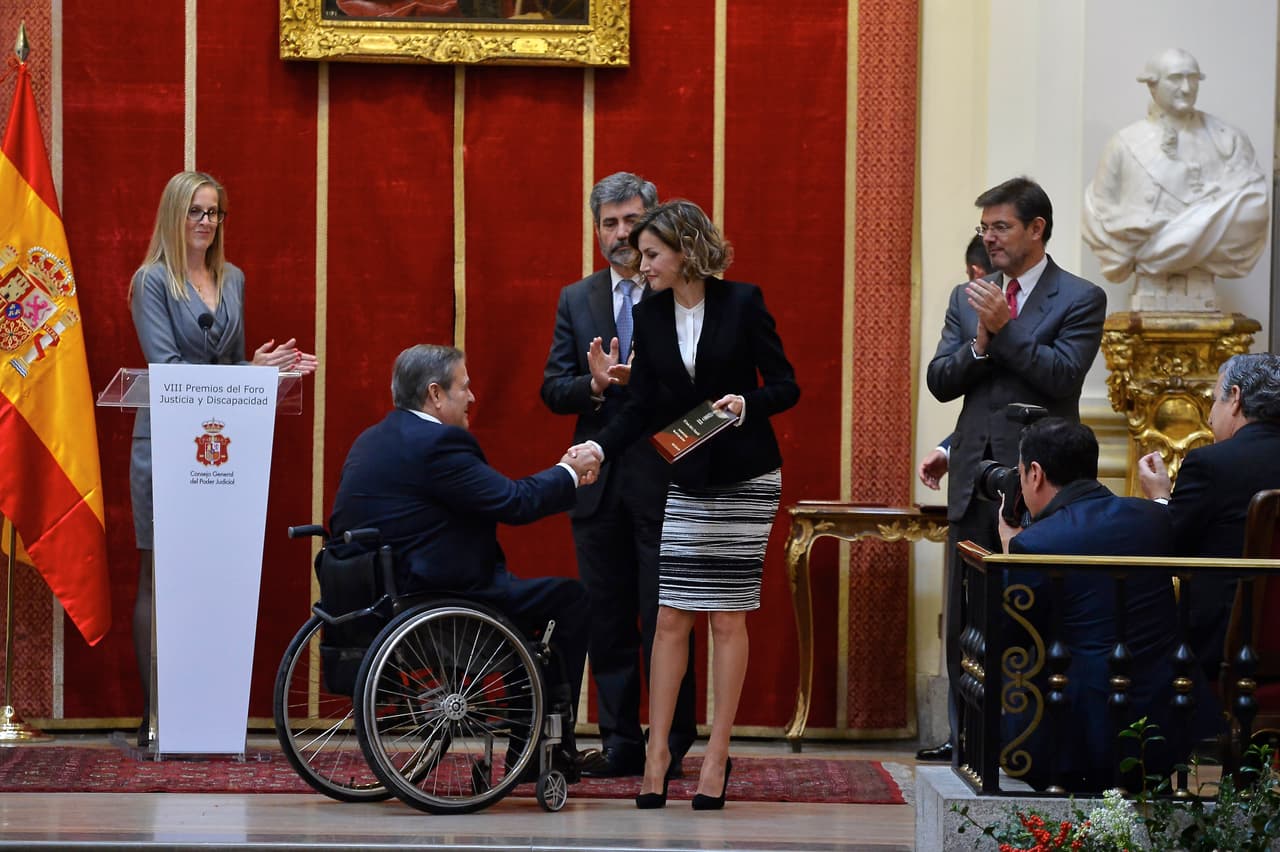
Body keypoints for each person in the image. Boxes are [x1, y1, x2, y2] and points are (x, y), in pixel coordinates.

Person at [580, 199, 799, 810]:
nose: (641, 264)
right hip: (687, 477)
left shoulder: (744, 302)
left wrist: (745, 404)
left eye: (651, 254)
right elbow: (641, 404)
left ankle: (718, 756)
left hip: (746, 475)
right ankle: (657, 753)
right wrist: (596, 446)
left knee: (728, 617)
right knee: (671, 615)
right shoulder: (649, 316)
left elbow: (786, 384)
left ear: (686, 252)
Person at [328, 343, 599, 770]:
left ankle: (534, 739)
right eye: (465, 388)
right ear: (435, 394)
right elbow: (514, 503)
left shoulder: (372, 439)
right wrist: (569, 471)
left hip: (373, 599)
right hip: (439, 598)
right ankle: (536, 747)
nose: (473, 397)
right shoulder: (438, 445)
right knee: (569, 600)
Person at [129, 171, 317, 747]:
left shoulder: (232, 279)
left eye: (215, 213)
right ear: (173, 216)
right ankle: (157, 715)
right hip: (165, 444)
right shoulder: (151, 282)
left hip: (222, 454)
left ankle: (211, 713)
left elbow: (234, 363)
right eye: (196, 212)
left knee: (214, 577)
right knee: (161, 574)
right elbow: (166, 369)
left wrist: (263, 372)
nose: (207, 223)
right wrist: (247, 373)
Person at [923, 176, 1107, 764]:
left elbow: (1060, 377)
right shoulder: (965, 297)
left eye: (1001, 226)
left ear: (1036, 229)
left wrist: (1006, 329)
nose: (990, 238)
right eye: (984, 228)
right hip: (974, 481)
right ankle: (966, 741)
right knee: (964, 625)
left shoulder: (1080, 298)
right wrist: (978, 344)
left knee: (1031, 623)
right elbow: (941, 380)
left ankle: (1024, 746)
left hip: (1043, 489)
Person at [541, 172, 697, 779]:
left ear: (653, 222)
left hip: (666, 475)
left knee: (668, 615)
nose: (620, 234)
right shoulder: (577, 299)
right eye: (608, 223)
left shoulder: (681, 293)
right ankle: (619, 741)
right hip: (597, 484)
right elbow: (554, 389)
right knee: (607, 616)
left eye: (632, 221)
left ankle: (673, 740)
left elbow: (704, 388)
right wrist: (595, 385)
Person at [998, 417, 1214, 792]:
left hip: (1078, 730)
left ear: (1034, 474)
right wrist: (1162, 495)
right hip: (1166, 716)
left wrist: (1007, 557)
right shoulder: (1156, 518)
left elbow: (1015, 634)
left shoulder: (1036, 544)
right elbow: (1166, 515)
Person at [1083, 48, 1268, 311]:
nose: (1186, 88)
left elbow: (1253, 207)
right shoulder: (1124, 145)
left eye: (1192, 78)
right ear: (1151, 84)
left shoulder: (1229, 140)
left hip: (1204, 291)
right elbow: (1101, 211)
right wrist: (1136, 223)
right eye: (1175, 78)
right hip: (1147, 288)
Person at [1137, 352, 1280, 678]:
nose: (1211, 418)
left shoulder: (1211, 464)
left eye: (1215, 400)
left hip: (1225, 647)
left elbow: (1168, 549)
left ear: (1235, 397)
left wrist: (1160, 499)